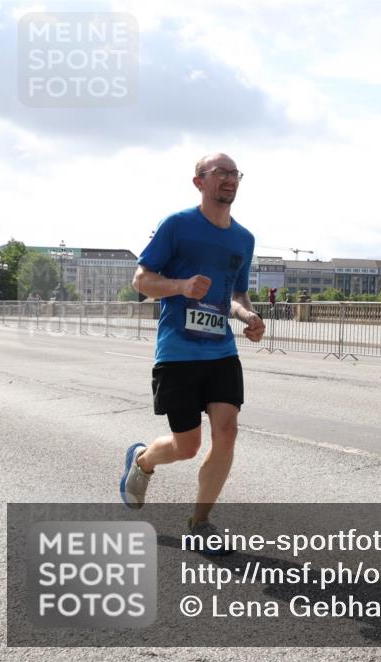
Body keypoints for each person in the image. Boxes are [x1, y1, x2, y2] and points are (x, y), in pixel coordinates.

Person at [119, 153, 265, 554]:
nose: (230, 179)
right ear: (199, 182)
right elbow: (141, 280)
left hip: (220, 350)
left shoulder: (243, 239)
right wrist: (182, 286)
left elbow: (234, 293)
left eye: (235, 173)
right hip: (178, 352)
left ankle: (200, 522)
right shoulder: (177, 226)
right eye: (221, 173)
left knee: (228, 431)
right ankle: (145, 461)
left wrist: (247, 314)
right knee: (187, 446)